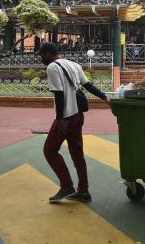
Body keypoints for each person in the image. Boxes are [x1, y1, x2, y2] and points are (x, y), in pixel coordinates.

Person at [37, 42, 109, 203]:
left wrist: (59, 118)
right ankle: (83, 191)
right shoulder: (74, 64)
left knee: (49, 150)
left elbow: (59, 94)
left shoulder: (52, 68)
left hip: (66, 117)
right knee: (77, 153)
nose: (41, 58)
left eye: (41, 54)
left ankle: (67, 186)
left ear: (48, 53)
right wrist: (104, 97)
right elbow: (88, 85)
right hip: (78, 115)